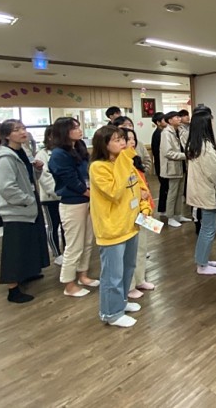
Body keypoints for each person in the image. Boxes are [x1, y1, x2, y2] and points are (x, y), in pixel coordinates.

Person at [89, 126, 147, 328]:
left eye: (123, 139)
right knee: (112, 275)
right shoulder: (99, 167)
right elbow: (114, 191)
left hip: (130, 225)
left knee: (127, 269)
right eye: (117, 140)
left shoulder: (124, 162)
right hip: (112, 230)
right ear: (104, 145)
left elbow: (138, 188)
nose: (123, 143)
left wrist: (144, 205)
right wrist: (125, 159)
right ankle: (111, 313)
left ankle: (120, 302)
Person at [0, 119, 50, 303]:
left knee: (29, 243)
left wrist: (38, 170)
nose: (22, 132)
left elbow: (28, 179)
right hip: (16, 209)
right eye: (16, 130)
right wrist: (27, 199)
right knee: (15, 249)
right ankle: (13, 289)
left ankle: (27, 273)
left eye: (24, 128)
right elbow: (7, 187)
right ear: (6, 135)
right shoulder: (5, 157)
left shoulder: (23, 152)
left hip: (29, 206)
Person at [49, 117, 99, 297]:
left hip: (87, 199)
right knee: (74, 245)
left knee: (87, 241)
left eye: (78, 126)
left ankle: (83, 275)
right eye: (75, 127)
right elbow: (70, 180)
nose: (79, 130)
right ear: (64, 132)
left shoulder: (79, 147)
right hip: (72, 202)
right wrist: (89, 193)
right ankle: (69, 284)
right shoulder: (58, 154)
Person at [186, 108, 216, 275]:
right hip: (207, 193)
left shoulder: (195, 145)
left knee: (206, 228)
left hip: (200, 192)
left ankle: (202, 259)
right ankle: (202, 265)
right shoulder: (206, 148)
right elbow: (215, 175)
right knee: (208, 229)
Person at [123, 128, 156, 298]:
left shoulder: (135, 160)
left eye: (133, 138)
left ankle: (140, 279)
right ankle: (129, 286)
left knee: (142, 247)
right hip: (129, 212)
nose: (131, 142)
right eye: (127, 139)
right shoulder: (119, 164)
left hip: (143, 209)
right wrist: (138, 194)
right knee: (130, 252)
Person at [35, 125, 64, 266]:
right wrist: (58, 192)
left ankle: (68, 252)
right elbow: (45, 177)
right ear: (49, 137)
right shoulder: (42, 154)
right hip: (50, 198)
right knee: (53, 226)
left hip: (66, 197)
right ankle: (57, 254)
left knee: (66, 227)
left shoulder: (64, 152)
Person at [160, 111, 190, 227]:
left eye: (179, 117)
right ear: (169, 120)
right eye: (176, 117)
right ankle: (170, 217)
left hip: (182, 166)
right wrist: (185, 155)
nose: (179, 119)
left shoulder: (180, 130)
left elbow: (185, 145)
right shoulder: (166, 133)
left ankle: (178, 214)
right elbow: (168, 152)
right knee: (172, 193)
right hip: (172, 167)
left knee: (180, 192)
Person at [150, 112, 168, 216]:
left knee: (166, 187)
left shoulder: (163, 132)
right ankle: (163, 210)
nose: (167, 121)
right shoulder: (158, 134)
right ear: (158, 122)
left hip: (162, 164)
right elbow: (158, 153)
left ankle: (164, 209)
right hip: (161, 165)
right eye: (164, 120)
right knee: (165, 187)